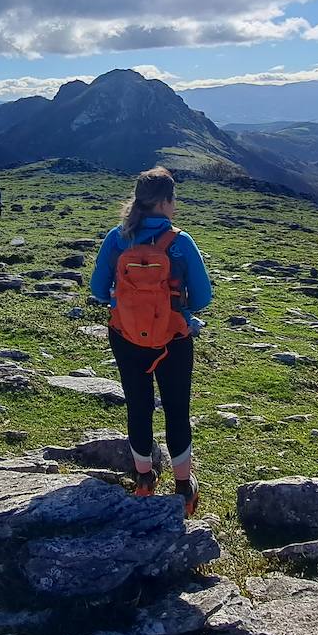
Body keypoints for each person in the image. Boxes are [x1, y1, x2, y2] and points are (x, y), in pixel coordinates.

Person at [89, 166, 211, 515]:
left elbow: (98, 291)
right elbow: (202, 298)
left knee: (138, 406)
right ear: (166, 202)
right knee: (177, 410)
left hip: (125, 336)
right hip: (173, 338)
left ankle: (144, 480)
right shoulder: (180, 242)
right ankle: (185, 488)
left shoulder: (117, 237)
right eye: (174, 201)